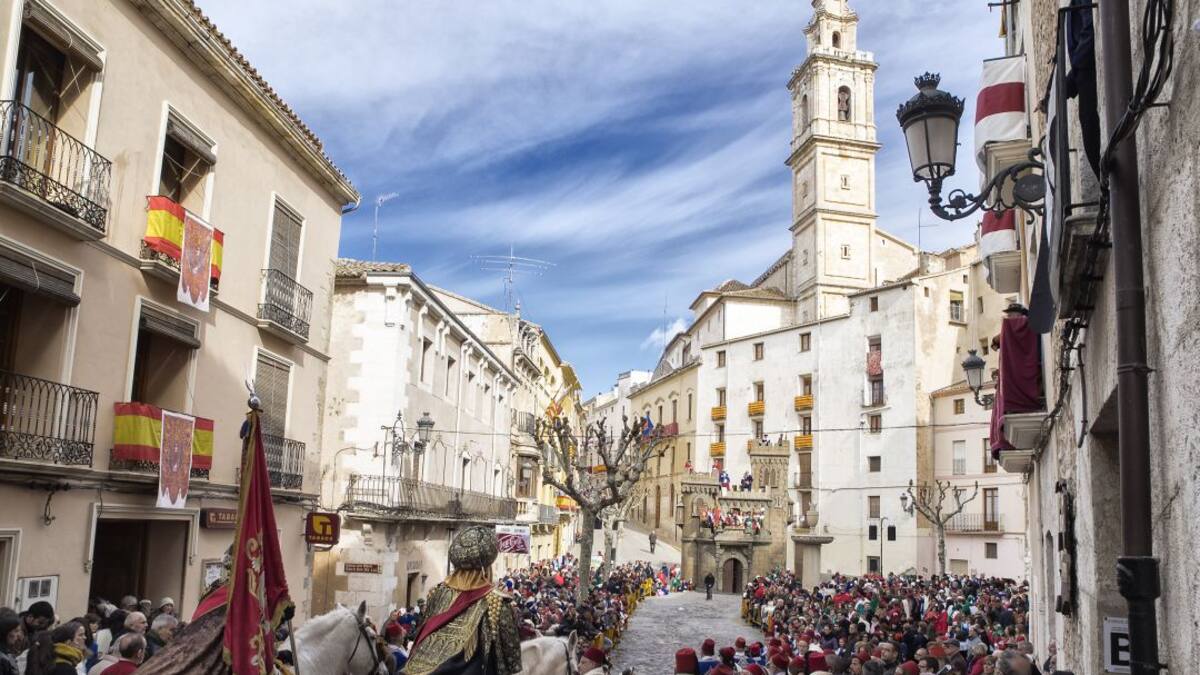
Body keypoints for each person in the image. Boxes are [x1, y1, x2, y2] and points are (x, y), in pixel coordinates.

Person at [403, 526, 521, 675]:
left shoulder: (436, 592)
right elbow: (512, 661)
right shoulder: (498, 603)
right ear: (487, 566)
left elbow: (424, 634)